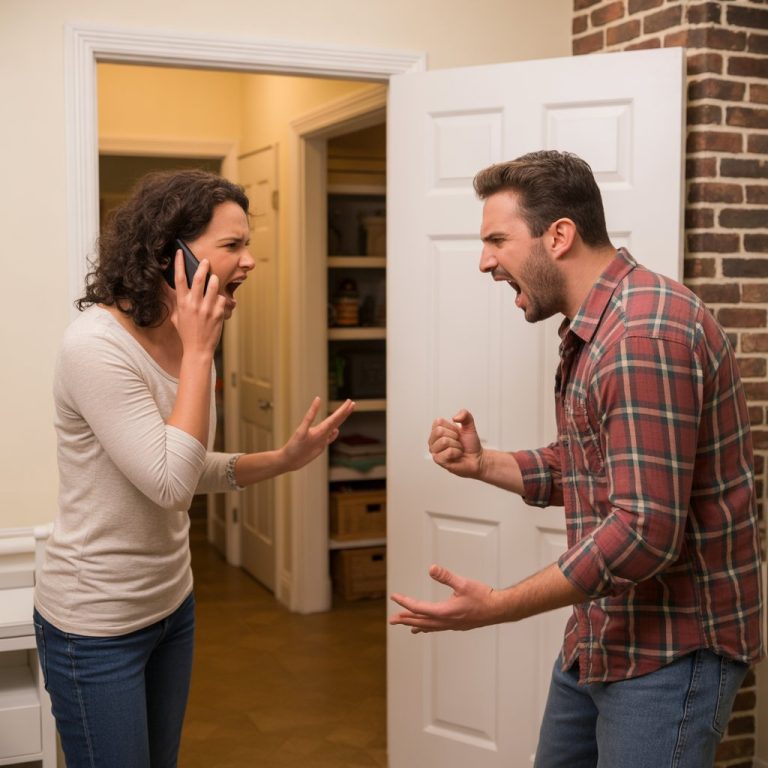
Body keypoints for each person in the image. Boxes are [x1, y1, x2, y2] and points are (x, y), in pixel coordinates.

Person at [389, 151, 764, 768]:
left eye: (497, 240)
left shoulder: (642, 335)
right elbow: (595, 465)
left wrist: (499, 605)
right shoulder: (600, 326)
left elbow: (643, 531)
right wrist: (485, 464)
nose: (485, 261)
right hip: (602, 636)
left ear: (559, 235)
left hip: (671, 652)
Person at [33, 169, 355, 768]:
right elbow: (171, 485)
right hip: (96, 624)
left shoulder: (186, 339)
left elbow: (178, 462)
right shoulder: (95, 347)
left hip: (170, 605)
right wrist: (202, 352)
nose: (249, 261)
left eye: (247, 244)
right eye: (232, 245)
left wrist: (282, 460)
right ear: (169, 254)